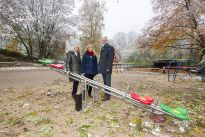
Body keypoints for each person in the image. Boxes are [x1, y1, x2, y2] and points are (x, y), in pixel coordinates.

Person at [99, 36, 115, 101]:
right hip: (103, 68)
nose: (103, 41)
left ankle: (107, 96)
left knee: (108, 82)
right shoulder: (102, 48)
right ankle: (106, 94)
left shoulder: (110, 48)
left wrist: (108, 68)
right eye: (102, 40)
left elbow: (111, 59)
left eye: (104, 40)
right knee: (105, 82)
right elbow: (101, 59)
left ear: (107, 40)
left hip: (107, 68)